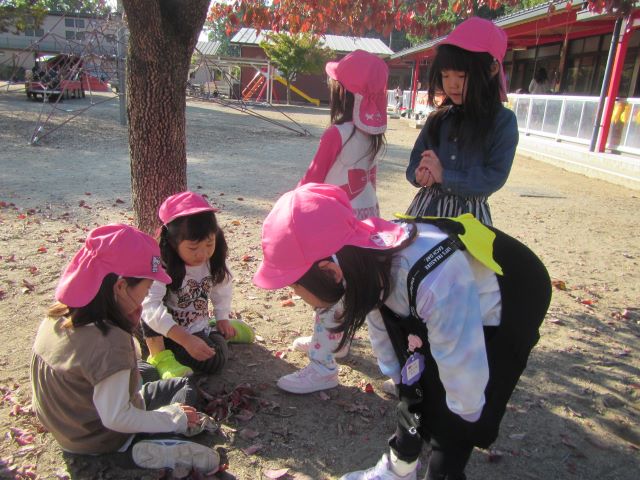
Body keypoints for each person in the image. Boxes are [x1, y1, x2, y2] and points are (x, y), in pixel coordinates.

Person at [253, 183, 551, 480]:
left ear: (330, 271)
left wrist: (460, 419)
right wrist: (400, 380)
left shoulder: (433, 279)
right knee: (416, 383)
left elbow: (464, 374)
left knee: (454, 414)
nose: (295, 294)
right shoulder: (363, 262)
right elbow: (384, 330)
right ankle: (399, 469)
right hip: (443, 299)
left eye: (295, 285)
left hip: (512, 291)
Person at [31, 224, 221, 474]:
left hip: (70, 425)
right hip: (103, 436)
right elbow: (116, 417)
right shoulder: (110, 342)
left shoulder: (59, 314)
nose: (146, 295)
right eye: (146, 287)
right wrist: (172, 418)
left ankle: (149, 433)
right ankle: (143, 448)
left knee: (150, 374)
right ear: (120, 287)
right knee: (185, 390)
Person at [279, 50, 388, 394]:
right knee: (352, 290)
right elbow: (371, 180)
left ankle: (322, 365)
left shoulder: (337, 133)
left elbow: (312, 180)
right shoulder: (374, 134)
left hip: (335, 229)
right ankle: (338, 344)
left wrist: (290, 210)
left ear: (343, 91)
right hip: (366, 224)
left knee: (328, 292)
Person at [405, 17, 518, 226]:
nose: (452, 84)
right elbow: (414, 162)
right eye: (445, 75)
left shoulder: (503, 122)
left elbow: (494, 176)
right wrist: (420, 174)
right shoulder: (437, 118)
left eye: (462, 75)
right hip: (426, 209)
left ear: (492, 69)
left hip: (470, 219)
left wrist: (444, 176)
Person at [141, 191, 253, 380]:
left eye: (209, 244)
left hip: (193, 326)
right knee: (146, 313)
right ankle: (159, 357)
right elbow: (150, 308)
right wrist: (185, 339)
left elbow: (222, 287)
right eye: (193, 248)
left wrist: (222, 317)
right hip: (163, 330)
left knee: (214, 361)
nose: (202, 254)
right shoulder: (160, 264)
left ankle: (216, 329)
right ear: (172, 242)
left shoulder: (213, 260)